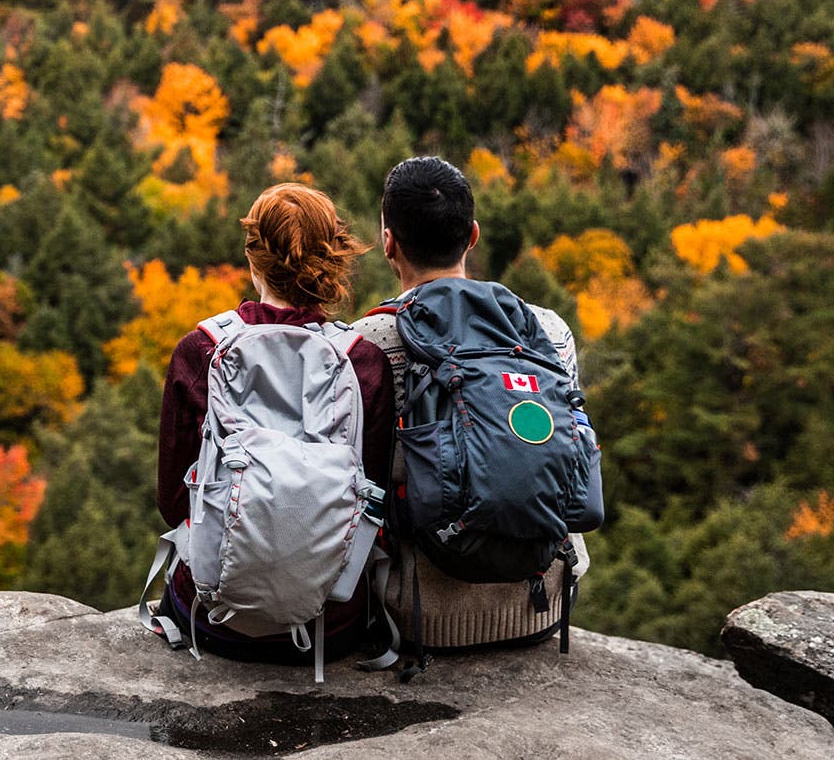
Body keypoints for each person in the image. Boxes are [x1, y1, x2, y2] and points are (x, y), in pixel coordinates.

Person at [353, 155, 589, 656]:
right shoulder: (547, 331)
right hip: (541, 606)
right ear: (473, 235)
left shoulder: (367, 341)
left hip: (418, 617)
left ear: (389, 242)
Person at [151, 181, 390, 664]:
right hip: (330, 621)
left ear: (251, 256)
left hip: (212, 618)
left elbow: (174, 501)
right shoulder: (363, 361)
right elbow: (373, 503)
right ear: (333, 256)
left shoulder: (201, 350)